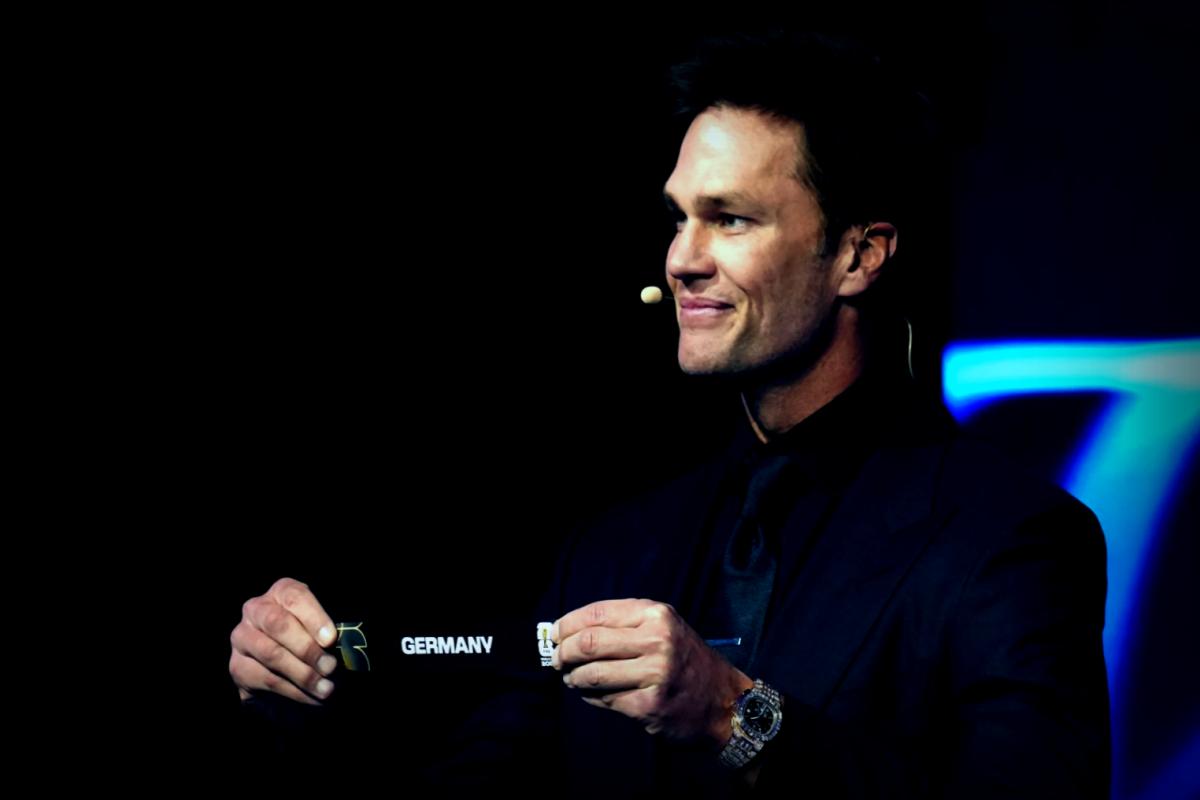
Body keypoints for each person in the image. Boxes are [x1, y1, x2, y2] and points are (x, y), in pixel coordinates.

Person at [229, 32, 1110, 795]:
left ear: (859, 255)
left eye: (731, 220)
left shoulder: (1009, 540)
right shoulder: (614, 548)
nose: (682, 258)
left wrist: (734, 714)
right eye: (679, 217)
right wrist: (306, 701)